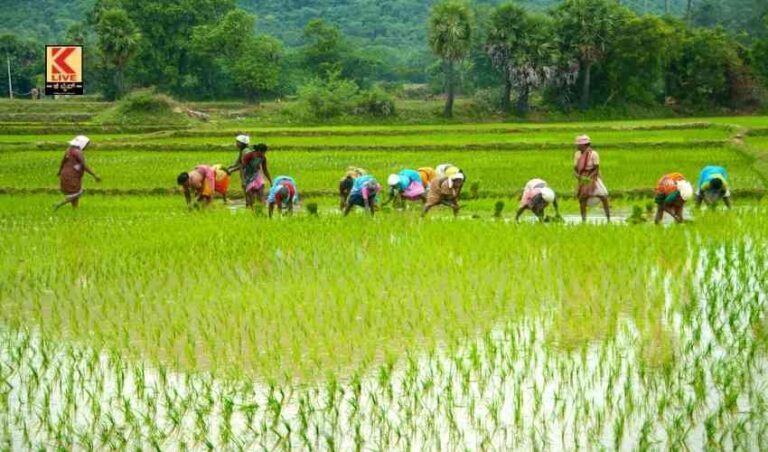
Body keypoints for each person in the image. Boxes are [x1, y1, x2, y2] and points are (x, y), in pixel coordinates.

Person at [55, 135, 100, 210]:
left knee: (74, 192)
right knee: (78, 193)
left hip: (68, 174)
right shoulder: (77, 152)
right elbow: (84, 165)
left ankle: (75, 209)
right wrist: (94, 175)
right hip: (72, 175)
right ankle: (60, 203)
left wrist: (59, 171)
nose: (87, 147)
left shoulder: (68, 150)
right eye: (86, 145)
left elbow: (63, 162)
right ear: (82, 144)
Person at [573, 135, 610, 222]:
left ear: (584, 145)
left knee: (603, 196)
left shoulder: (593, 154)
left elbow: (596, 168)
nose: (577, 146)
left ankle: (608, 218)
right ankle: (583, 220)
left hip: (593, 176)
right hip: (582, 177)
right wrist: (579, 177)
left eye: (578, 145)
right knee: (582, 199)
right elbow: (575, 169)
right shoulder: (577, 154)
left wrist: (589, 178)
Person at [230, 143, 272, 207]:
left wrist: (270, 181)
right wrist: (243, 180)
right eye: (263, 152)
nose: (264, 154)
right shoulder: (249, 155)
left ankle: (262, 211)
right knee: (251, 199)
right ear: (258, 151)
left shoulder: (263, 158)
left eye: (264, 152)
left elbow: (265, 170)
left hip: (257, 175)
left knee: (261, 196)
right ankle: (251, 211)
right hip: (248, 176)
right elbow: (242, 167)